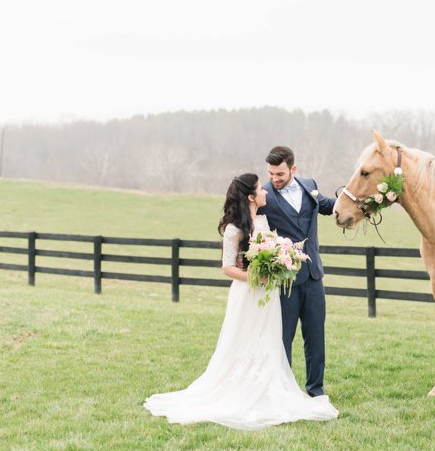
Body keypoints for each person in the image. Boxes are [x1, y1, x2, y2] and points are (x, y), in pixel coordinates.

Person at [143, 172, 338, 430]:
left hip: (267, 295)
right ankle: (243, 389)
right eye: (260, 188)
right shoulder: (234, 228)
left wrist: (279, 263)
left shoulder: (264, 219)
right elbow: (227, 267)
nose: (266, 191)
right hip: (248, 293)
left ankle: (269, 387)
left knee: (269, 340)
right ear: (250, 196)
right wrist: (255, 277)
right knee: (244, 341)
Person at [258, 146, 335, 397]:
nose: (274, 179)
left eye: (279, 174)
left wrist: (355, 199)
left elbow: (327, 205)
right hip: (284, 280)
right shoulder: (264, 196)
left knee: (316, 337)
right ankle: (284, 392)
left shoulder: (309, 184)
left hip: (313, 275)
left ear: (293, 168)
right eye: (270, 174)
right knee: (283, 339)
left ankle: (316, 390)